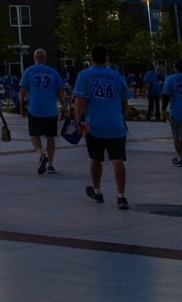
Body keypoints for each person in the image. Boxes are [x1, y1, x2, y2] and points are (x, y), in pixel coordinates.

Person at [73, 44, 132, 209]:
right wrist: (121, 114)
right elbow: (125, 98)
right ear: (107, 58)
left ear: (90, 57)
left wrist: (78, 119)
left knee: (95, 157)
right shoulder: (116, 75)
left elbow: (80, 99)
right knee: (117, 159)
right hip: (115, 124)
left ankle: (97, 191)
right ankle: (121, 196)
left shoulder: (84, 75)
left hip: (94, 125)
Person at [19, 49, 67, 175]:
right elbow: (61, 92)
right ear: (44, 58)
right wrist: (64, 106)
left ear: (35, 58)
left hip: (35, 109)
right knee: (50, 136)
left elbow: (22, 91)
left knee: (34, 134)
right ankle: (50, 164)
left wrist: (21, 106)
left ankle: (41, 154)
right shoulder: (53, 72)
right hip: (50, 110)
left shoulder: (29, 71)